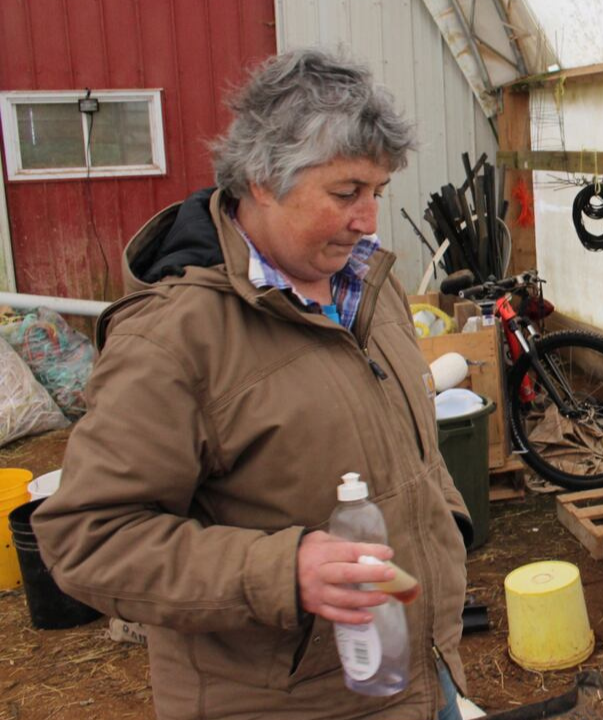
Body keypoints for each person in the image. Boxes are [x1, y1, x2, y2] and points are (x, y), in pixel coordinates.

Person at [33, 48, 471, 720]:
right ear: (263, 178)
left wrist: (444, 524)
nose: (369, 220)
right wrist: (281, 571)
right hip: (292, 703)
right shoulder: (174, 337)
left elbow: (404, 439)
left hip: (420, 671)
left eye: (378, 193)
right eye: (346, 193)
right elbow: (88, 537)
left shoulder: (368, 286)